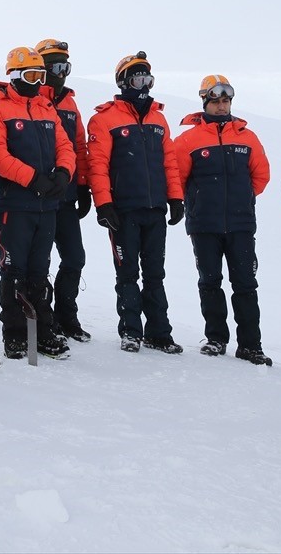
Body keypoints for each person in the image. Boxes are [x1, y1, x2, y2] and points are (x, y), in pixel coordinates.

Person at [0, 46, 76, 360]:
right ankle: (15, 333)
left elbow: (65, 146)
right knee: (13, 270)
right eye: (31, 76)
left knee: (39, 271)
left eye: (40, 76)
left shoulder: (46, 108)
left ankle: (42, 331)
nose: (37, 83)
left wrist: (63, 173)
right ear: (15, 76)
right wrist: (33, 179)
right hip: (14, 204)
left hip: (46, 206)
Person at [87, 51, 185, 354]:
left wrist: (175, 197)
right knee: (127, 273)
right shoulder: (104, 119)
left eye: (148, 79)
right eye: (137, 79)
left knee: (155, 273)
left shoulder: (159, 119)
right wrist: (103, 204)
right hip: (123, 210)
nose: (144, 85)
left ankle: (159, 333)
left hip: (155, 208)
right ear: (123, 82)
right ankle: (131, 331)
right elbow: (98, 165)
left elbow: (169, 162)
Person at [174, 75, 272, 365]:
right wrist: (197, 203)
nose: (221, 106)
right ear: (204, 102)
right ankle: (216, 338)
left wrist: (242, 199)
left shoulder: (247, 137)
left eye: (226, 101)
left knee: (245, 284)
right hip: (204, 225)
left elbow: (261, 176)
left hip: (241, 225)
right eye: (215, 101)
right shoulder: (188, 139)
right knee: (210, 282)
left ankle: (250, 345)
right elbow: (177, 179)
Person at [35, 38, 92, 342]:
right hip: (38, 197)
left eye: (65, 67)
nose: (61, 73)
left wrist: (83, 186)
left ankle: (67, 316)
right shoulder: (31, 97)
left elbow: (79, 146)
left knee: (74, 258)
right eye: (56, 66)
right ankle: (44, 319)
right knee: (39, 262)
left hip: (66, 196)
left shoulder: (70, 103)